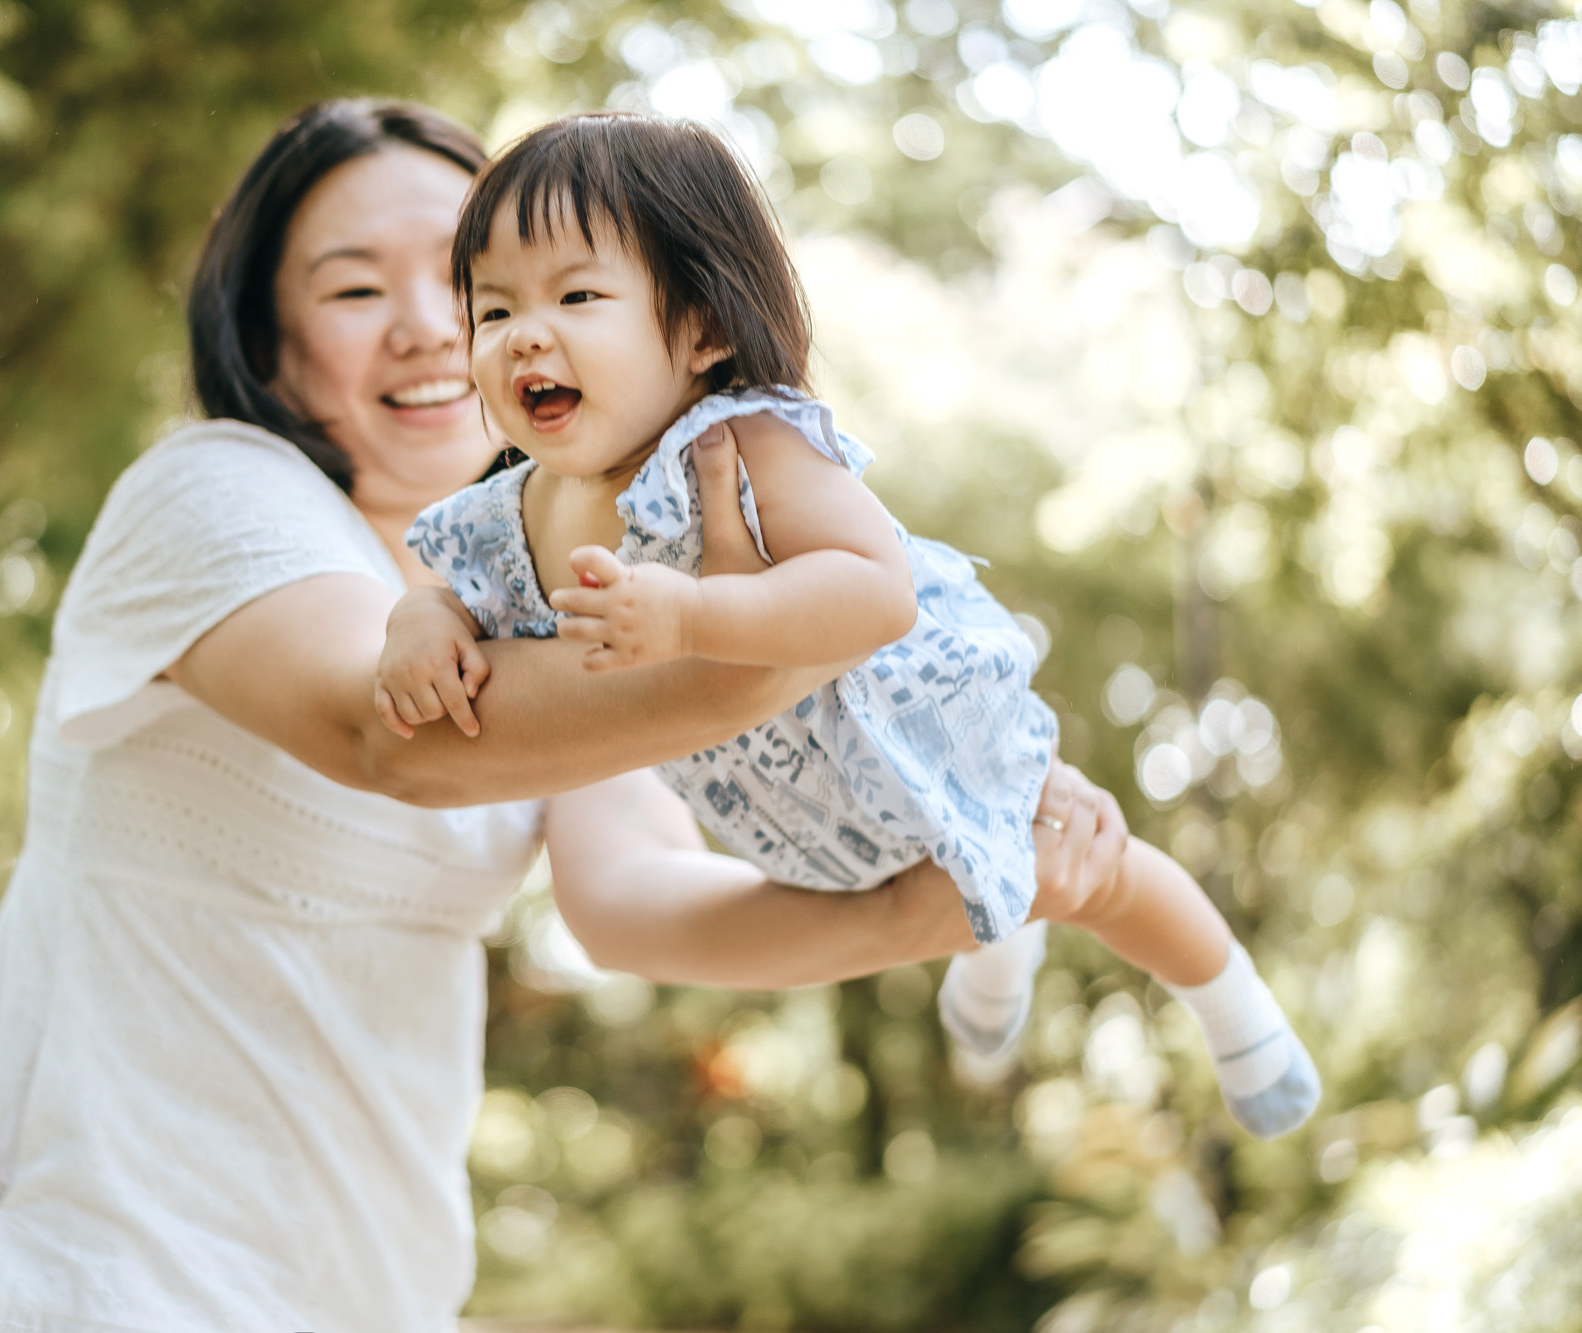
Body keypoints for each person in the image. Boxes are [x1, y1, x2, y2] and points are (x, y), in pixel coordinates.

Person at [0, 100, 1131, 1333]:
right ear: (268, 336)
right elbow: (394, 739)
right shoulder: (209, 492)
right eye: (355, 290)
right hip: (90, 1275)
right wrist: (809, 619)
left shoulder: (544, 577)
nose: (429, 327)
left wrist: (942, 896)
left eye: (471, 282)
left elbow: (630, 900)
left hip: (368, 1290)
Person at [378, 112, 1319, 1141]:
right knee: (978, 891)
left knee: (1095, 871)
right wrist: (418, 626)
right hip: (796, 825)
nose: (522, 334)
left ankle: (1235, 1010)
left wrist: (695, 611)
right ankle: (996, 946)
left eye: (576, 295)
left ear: (701, 327)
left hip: (913, 739)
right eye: (493, 308)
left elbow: (875, 592)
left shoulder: (741, 445)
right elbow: (449, 594)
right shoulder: (508, 512)